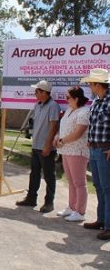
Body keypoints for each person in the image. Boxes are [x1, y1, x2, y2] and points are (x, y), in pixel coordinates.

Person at [16, 80, 60, 213]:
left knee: (48, 175)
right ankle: (31, 198)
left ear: (45, 93)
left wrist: (48, 145)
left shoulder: (53, 106)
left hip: (46, 147)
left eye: (37, 91)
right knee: (34, 174)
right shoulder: (37, 105)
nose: (35, 93)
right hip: (36, 145)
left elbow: (53, 127)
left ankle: (49, 202)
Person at [80, 68, 110, 240]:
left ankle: (108, 225)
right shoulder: (96, 102)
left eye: (91, 83)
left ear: (97, 84)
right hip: (95, 149)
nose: (90, 86)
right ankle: (101, 220)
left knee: (107, 188)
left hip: (106, 150)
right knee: (99, 186)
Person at [53, 86, 89, 222]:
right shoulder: (69, 110)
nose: (66, 100)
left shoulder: (84, 112)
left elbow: (78, 133)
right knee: (71, 181)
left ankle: (80, 211)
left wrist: (62, 140)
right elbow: (63, 128)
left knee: (79, 182)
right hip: (66, 150)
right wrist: (57, 137)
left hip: (77, 151)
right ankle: (71, 207)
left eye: (68, 97)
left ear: (76, 98)